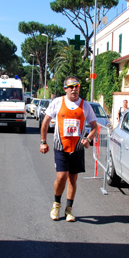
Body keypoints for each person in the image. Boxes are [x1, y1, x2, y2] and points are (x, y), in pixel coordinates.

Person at [40, 76, 98, 222]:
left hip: (77, 149)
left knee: (73, 178)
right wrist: (43, 142)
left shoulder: (85, 106)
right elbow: (46, 121)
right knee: (61, 177)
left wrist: (88, 139)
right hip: (61, 147)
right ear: (65, 89)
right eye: (71, 86)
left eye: (76, 86)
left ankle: (69, 210)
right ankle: (56, 205)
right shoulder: (58, 102)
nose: (74, 89)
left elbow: (94, 127)